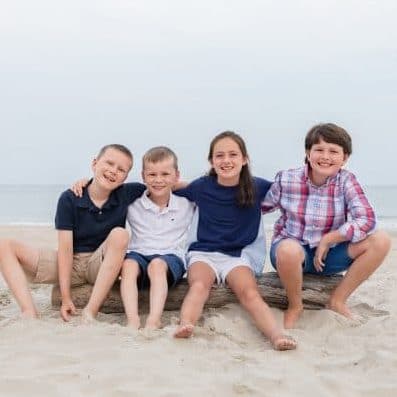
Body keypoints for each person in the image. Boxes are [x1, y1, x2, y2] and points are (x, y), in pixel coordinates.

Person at [173, 131, 297, 351]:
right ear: (211, 161)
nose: (226, 160)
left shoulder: (257, 187)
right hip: (203, 253)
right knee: (199, 286)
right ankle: (186, 324)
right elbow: (164, 188)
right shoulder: (201, 186)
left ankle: (277, 336)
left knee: (249, 293)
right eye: (219, 156)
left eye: (233, 154)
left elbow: (293, 190)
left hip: (239, 256)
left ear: (244, 159)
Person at [261, 123, 391, 329]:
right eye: (319, 150)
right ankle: (295, 305)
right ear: (307, 152)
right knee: (288, 249)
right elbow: (261, 207)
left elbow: (367, 219)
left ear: (345, 157)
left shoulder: (346, 181)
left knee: (381, 240)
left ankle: (337, 301)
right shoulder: (287, 179)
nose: (325, 156)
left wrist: (330, 239)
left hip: (330, 255)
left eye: (333, 151)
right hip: (293, 254)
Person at [0, 144, 145, 322]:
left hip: (99, 264)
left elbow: (164, 184)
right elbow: (65, 250)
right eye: (109, 163)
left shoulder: (128, 193)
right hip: (71, 262)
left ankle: (91, 310)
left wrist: (187, 187)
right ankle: (29, 311)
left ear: (125, 177)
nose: (113, 171)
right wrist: (66, 297)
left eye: (121, 169)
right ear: (95, 163)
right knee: (4, 245)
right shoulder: (69, 198)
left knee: (120, 234)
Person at [120, 146, 194, 329]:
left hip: (171, 258)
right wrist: (85, 182)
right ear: (143, 176)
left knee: (157, 265)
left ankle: (154, 319)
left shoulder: (187, 203)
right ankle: (133, 319)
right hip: (138, 254)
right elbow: (104, 189)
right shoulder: (133, 203)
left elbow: (210, 188)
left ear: (176, 176)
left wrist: (184, 185)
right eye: (152, 175)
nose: (158, 180)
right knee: (128, 265)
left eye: (165, 174)